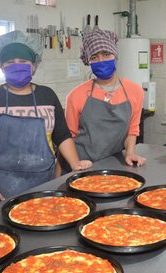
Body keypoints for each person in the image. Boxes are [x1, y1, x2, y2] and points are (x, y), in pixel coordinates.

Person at [0, 30, 91, 209]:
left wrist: (75, 163)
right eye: (10, 62)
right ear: (1, 66)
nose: (17, 65)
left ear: (34, 65)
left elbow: (62, 135)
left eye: (23, 61)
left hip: (41, 191)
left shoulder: (47, 96)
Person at [57, 29, 146, 174]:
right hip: (81, 168)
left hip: (114, 166)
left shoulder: (135, 91)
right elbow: (67, 138)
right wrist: (58, 176)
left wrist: (130, 153)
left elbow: (132, 130)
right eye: (94, 57)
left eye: (106, 54)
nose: (101, 61)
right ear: (88, 61)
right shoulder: (76, 95)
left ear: (115, 55)